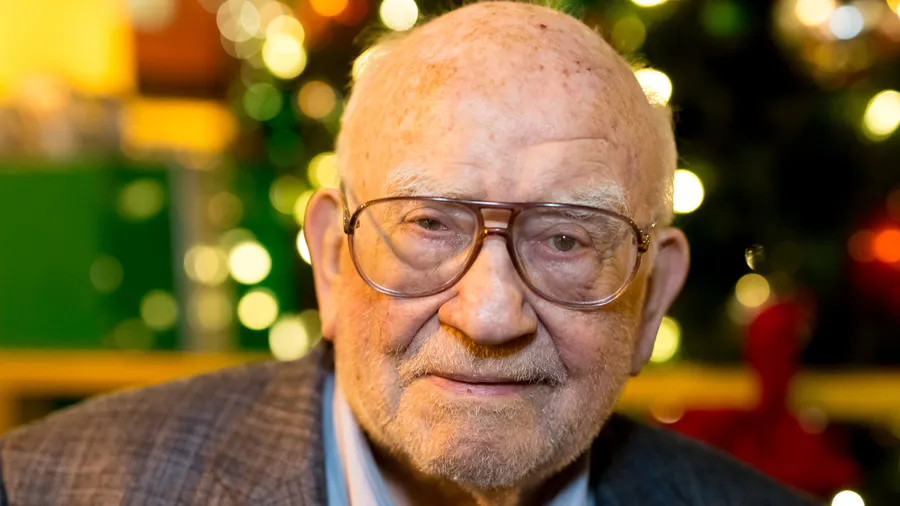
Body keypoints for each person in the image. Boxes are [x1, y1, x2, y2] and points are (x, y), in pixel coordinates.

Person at [0, 2, 819, 505]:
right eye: (429, 224)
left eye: (566, 239)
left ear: (654, 296)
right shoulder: (42, 489)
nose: (490, 313)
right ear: (331, 259)